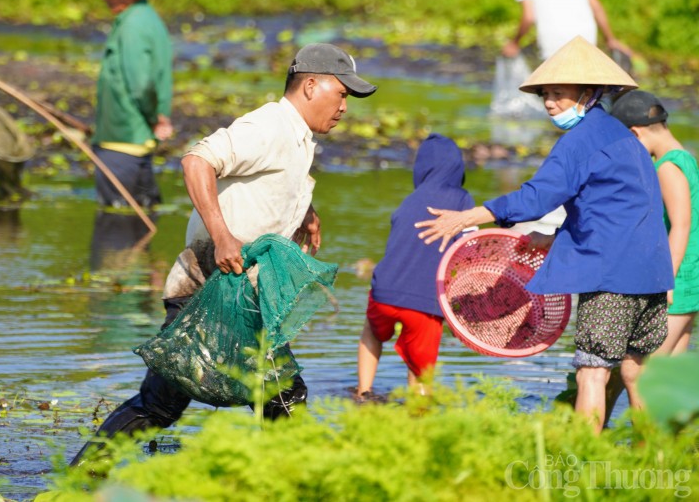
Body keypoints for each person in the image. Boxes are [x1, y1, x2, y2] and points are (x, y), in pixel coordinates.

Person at [71, 43, 377, 465]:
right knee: (245, 399)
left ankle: (81, 480)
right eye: (342, 94)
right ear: (310, 85)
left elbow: (264, 185)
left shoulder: (298, 136)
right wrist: (222, 234)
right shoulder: (269, 125)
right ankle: (80, 481)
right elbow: (196, 161)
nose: (345, 106)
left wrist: (305, 212)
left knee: (249, 399)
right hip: (209, 294)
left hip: (236, 299)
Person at [415, 36, 673, 434]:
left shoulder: (580, 140)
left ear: (588, 93)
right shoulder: (626, 139)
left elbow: (535, 198)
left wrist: (470, 215)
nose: (550, 102)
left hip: (612, 280)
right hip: (652, 276)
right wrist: (555, 239)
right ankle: (650, 462)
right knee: (636, 375)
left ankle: (580, 466)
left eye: (558, 93)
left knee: (592, 375)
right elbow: (618, 211)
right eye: (545, 95)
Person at [357, 134, 474, 400]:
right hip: (424, 305)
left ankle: (363, 393)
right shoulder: (462, 199)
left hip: (383, 293)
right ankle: (418, 414)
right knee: (420, 369)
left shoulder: (410, 199)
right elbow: (468, 252)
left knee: (371, 331)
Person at [611, 90, 699, 355]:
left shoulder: (666, 167)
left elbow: (681, 225)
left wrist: (665, 282)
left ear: (636, 133)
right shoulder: (685, 157)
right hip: (690, 275)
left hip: (678, 280)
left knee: (639, 369)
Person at [81, 0, 174, 208]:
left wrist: (156, 118)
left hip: (122, 142)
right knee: (141, 216)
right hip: (134, 141)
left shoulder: (133, 25)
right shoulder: (144, 17)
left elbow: (142, 83)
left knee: (114, 224)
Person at [502, 0, 633, 61]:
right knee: (584, 90)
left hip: (554, 41)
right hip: (585, 37)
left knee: (555, 94)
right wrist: (610, 39)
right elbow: (596, 7)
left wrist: (515, 43)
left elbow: (529, 17)